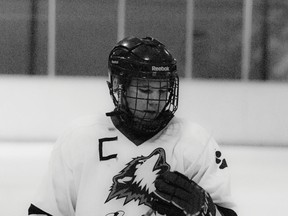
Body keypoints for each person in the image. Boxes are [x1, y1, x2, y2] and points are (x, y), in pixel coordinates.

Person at [28, 36, 238, 216]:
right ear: (120, 87)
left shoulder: (195, 142)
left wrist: (207, 212)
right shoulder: (80, 138)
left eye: (163, 90)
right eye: (145, 91)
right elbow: (46, 211)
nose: (155, 100)